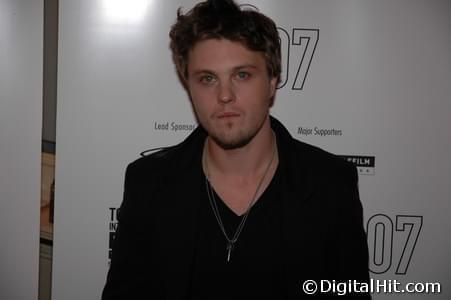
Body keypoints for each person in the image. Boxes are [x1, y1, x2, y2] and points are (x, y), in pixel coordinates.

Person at [102, 0, 371, 299]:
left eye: (242, 75)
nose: (225, 96)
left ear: (272, 81)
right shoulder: (148, 184)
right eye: (207, 79)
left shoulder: (331, 185)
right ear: (188, 85)